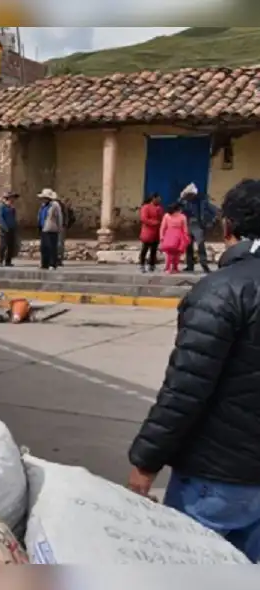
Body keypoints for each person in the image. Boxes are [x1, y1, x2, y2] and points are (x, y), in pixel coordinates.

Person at [128, 179, 260, 563]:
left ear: (227, 226)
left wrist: (146, 460)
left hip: (217, 477)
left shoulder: (221, 291)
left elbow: (185, 389)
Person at [180, 184, 218, 273]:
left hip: (198, 225)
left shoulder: (202, 202)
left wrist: (212, 221)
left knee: (200, 246)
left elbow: (215, 211)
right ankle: (190, 265)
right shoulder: (184, 202)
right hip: (188, 225)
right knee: (188, 246)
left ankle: (204, 265)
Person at [159, 202, 190, 274]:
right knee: (177, 253)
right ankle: (175, 268)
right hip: (178, 235)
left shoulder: (166, 215)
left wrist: (161, 237)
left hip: (168, 235)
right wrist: (186, 237)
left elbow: (163, 227)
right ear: (179, 209)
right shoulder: (183, 217)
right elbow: (185, 229)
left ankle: (168, 268)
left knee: (168, 253)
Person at [37, 188, 63, 270]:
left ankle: (52, 263)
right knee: (44, 247)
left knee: (51, 247)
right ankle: (44, 263)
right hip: (43, 228)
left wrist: (59, 227)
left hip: (52, 229)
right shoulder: (43, 206)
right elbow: (40, 215)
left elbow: (59, 217)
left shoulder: (55, 205)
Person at [138, 193, 164, 273]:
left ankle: (152, 265)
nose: (159, 200)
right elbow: (143, 219)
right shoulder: (146, 207)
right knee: (145, 249)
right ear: (153, 198)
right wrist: (154, 222)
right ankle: (142, 265)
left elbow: (161, 218)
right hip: (148, 232)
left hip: (156, 232)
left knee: (154, 250)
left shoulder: (160, 208)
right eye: (158, 199)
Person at [0, 192, 19, 267]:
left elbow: (14, 218)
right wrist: (5, 227)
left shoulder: (12, 208)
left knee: (11, 246)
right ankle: (0, 260)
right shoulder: (2, 207)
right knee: (3, 246)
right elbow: (0, 218)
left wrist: (15, 226)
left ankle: (8, 261)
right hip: (5, 229)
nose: (13, 199)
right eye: (12, 198)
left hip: (12, 228)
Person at [58, 197, 76, 266]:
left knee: (60, 243)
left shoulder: (68, 210)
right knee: (59, 243)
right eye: (68, 203)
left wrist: (66, 225)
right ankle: (58, 258)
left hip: (62, 227)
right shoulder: (61, 209)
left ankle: (59, 258)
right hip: (60, 226)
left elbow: (72, 219)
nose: (69, 204)